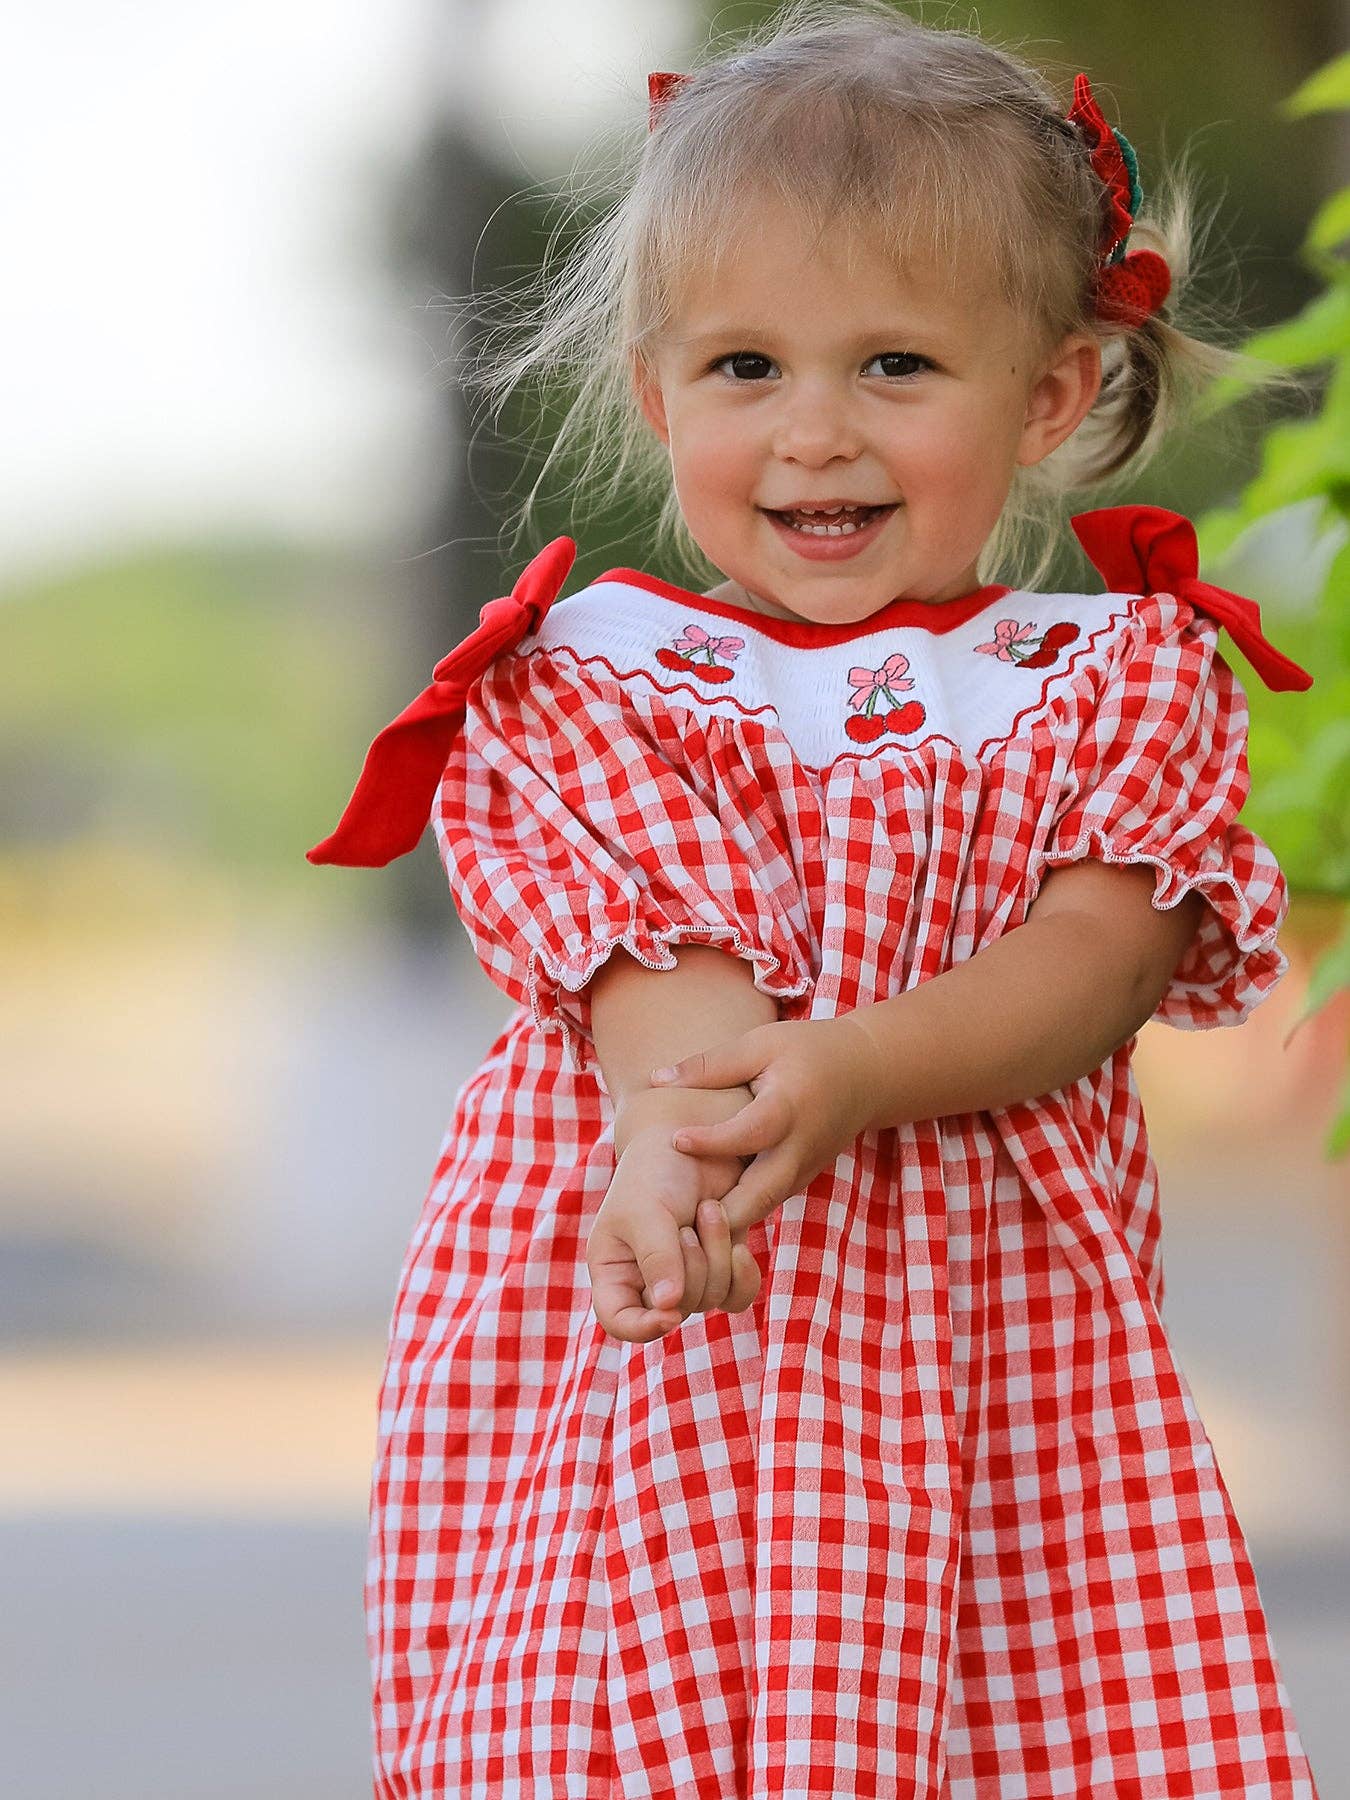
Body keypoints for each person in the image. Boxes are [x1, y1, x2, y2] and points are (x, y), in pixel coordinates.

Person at [308, 4, 1322, 1794]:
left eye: (897, 368)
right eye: (747, 369)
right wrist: (685, 1138)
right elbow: (659, 963)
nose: (816, 435)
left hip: (996, 1371)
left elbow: (1091, 959)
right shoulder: (596, 677)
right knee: (635, 1717)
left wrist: (848, 1070)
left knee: (1009, 1723)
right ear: (655, 389)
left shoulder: (1109, 682)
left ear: (1054, 392)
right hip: (669, 1312)